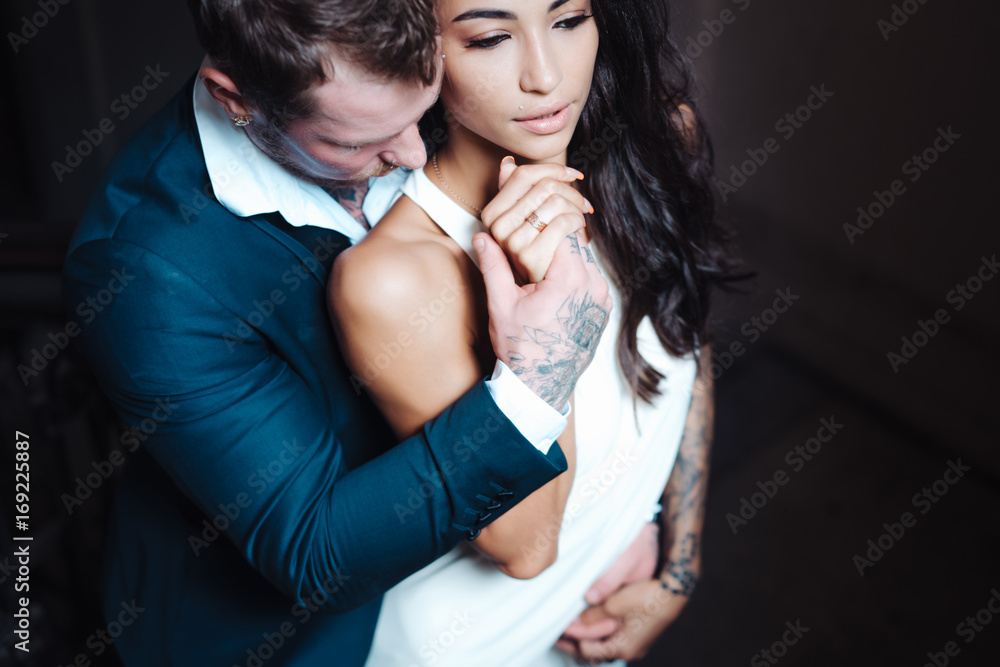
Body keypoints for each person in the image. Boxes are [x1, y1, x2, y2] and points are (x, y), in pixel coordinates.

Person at [60, 1, 616, 665]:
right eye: (356, 142)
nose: (414, 152)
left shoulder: (461, 74)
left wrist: (642, 526)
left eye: (424, 106)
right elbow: (315, 551)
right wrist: (538, 379)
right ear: (235, 100)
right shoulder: (147, 277)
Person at [328, 0, 736, 664]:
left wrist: (676, 564)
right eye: (490, 38)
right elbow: (526, 544)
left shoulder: (657, 139)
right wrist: (544, 321)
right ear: (418, 53)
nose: (546, 76)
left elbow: (684, 330)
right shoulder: (395, 279)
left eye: (569, 20)